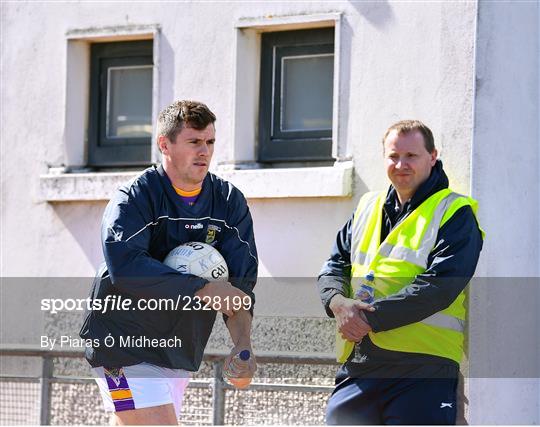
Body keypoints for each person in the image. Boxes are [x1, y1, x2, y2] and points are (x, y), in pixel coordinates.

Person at [80, 100, 258, 425]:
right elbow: (127, 269)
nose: (204, 151)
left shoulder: (229, 203)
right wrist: (202, 288)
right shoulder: (134, 199)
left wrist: (242, 346)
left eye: (210, 142)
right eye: (194, 142)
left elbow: (237, 291)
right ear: (165, 144)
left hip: (179, 350)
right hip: (121, 346)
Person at [318, 120, 484, 425]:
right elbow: (334, 265)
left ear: (433, 156)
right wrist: (337, 303)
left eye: (411, 156)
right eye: (394, 156)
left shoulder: (454, 212)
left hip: (423, 368)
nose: (401, 164)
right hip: (361, 363)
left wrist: (368, 317)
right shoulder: (368, 206)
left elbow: (441, 286)